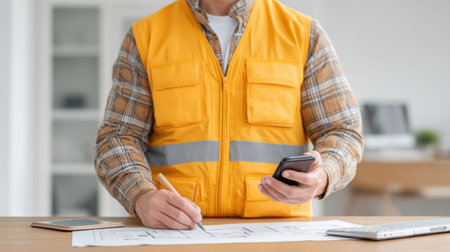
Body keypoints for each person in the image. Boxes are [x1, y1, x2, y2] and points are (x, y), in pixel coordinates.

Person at [95, 0, 363, 230]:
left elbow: (342, 130)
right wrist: (141, 196)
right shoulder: (146, 36)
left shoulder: (305, 35)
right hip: (176, 231)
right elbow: (118, 137)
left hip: (278, 233)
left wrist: (323, 176)